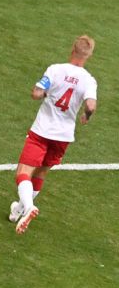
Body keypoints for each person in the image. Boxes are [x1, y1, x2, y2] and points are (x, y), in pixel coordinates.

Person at [9, 35, 97, 235]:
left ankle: (29, 207)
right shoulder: (89, 80)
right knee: (41, 173)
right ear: (88, 56)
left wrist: (44, 93)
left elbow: (36, 93)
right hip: (64, 136)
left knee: (23, 172)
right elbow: (91, 105)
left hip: (41, 131)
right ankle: (20, 209)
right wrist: (86, 115)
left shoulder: (55, 70)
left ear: (72, 49)